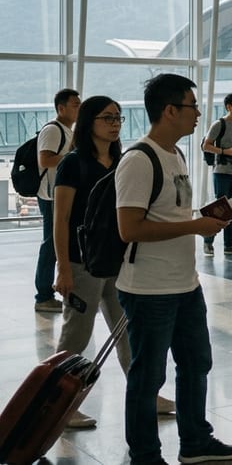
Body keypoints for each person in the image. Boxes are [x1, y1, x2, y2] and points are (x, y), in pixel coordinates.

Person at [115, 73, 232, 465]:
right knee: (148, 377)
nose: (198, 114)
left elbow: (170, 212)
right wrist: (194, 226)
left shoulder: (177, 155)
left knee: (196, 364)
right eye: (192, 107)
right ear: (169, 110)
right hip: (148, 289)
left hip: (185, 284)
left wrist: (203, 217)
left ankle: (195, 441)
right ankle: (145, 454)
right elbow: (129, 228)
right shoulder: (140, 158)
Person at [52, 96, 175, 430]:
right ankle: (60, 405)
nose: (115, 123)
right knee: (76, 336)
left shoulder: (123, 161)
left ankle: (146, 395)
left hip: (120, 262)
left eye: (118, 117)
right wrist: (62, 266)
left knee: (131, 335)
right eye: (107, 117)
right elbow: (60, 218)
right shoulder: (73, 164)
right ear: (89, 121)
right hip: (82, 262)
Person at [35, 88, 81, 313]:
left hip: (61, 194)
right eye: (75, 105)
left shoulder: (68, 131)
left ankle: (49, 292)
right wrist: (74, 157)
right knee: (51, 246)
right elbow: (45, 160)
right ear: (61, 108)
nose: (78, 108)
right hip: (51, 196)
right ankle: (43, 295)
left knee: (56, 244)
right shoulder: (53, 130)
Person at [200, 94, 232, 256]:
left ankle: (229, 244)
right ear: (228, 106)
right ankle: (208, 241)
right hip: (221, 171)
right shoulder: (219, 124)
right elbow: (206, 146)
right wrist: (224, 151)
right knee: (220, 209)